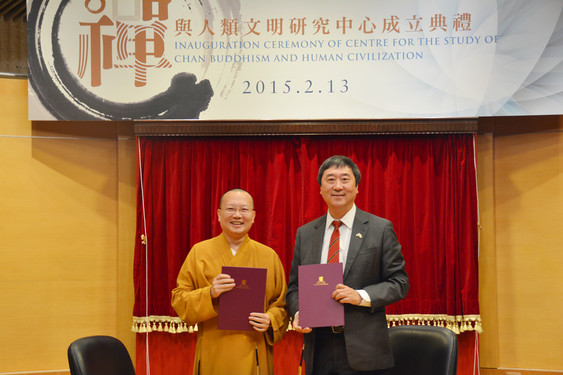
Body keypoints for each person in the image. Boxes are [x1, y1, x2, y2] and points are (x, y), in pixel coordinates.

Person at [287, 155, 409, 375]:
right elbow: (295, 288)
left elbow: (399, 282)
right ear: (320, 188)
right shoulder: (305, 234)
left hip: (365, 352)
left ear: (357, 187)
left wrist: (361, 296)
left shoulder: (380, 229)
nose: (338, 186)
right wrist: (297, 312)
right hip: (319, 348)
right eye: (330, 179)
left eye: (345, 179)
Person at [171, 189, 289, 375]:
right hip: (214, 352)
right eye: (230, 209)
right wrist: (209, 293)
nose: (237, 215)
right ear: (219, 215)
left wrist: (270, 319)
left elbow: (281, 305)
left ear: (253, 216)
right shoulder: (199, 252)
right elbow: (179, 300)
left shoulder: (269, 256)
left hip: (254, 351)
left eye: (244, 210)